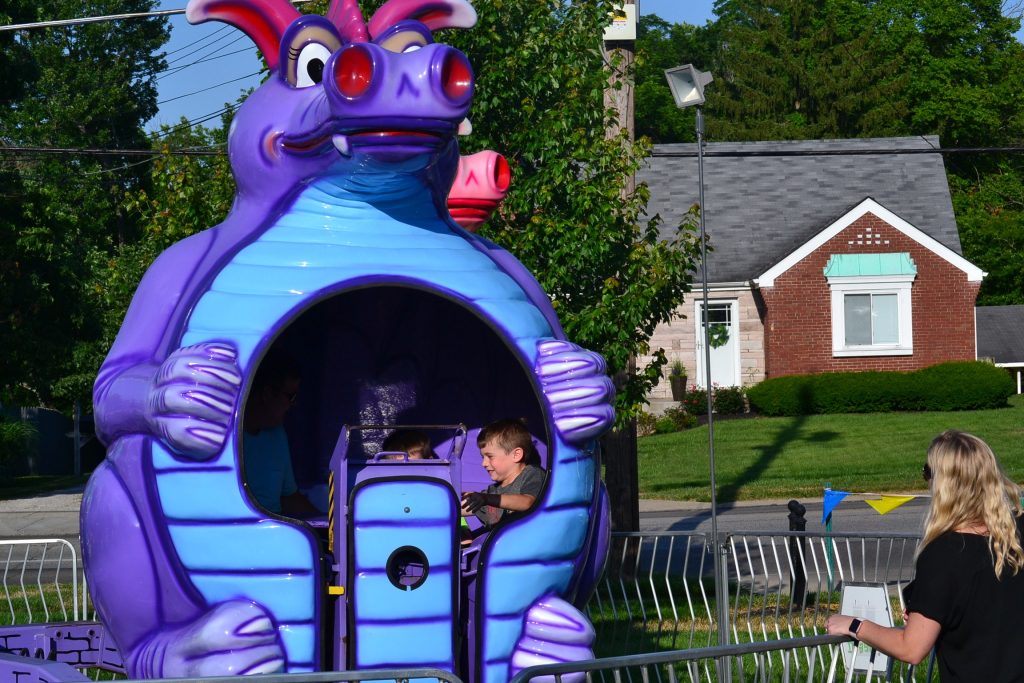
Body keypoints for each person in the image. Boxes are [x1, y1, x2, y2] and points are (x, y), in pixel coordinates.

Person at [826, 430, 1024, 680]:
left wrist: (855, 625)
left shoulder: (945, 552)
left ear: (944, 484)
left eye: (927, 472)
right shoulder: (1016, 533)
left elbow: (912, 648)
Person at [242, 345, 319, 517]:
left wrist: (335, 529)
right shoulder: (227, 440)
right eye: (291, 396)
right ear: (268, 393)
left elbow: (289, 498)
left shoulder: (277, 435)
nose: (294, 405)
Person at [460, 418, 545, 528]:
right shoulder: (493, 491)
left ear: (516, 455)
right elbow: (460, 507)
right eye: (482, 457)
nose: (484, 463)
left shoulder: (532, 474)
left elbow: (528, 502)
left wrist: (486, 499)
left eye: (490, 456)